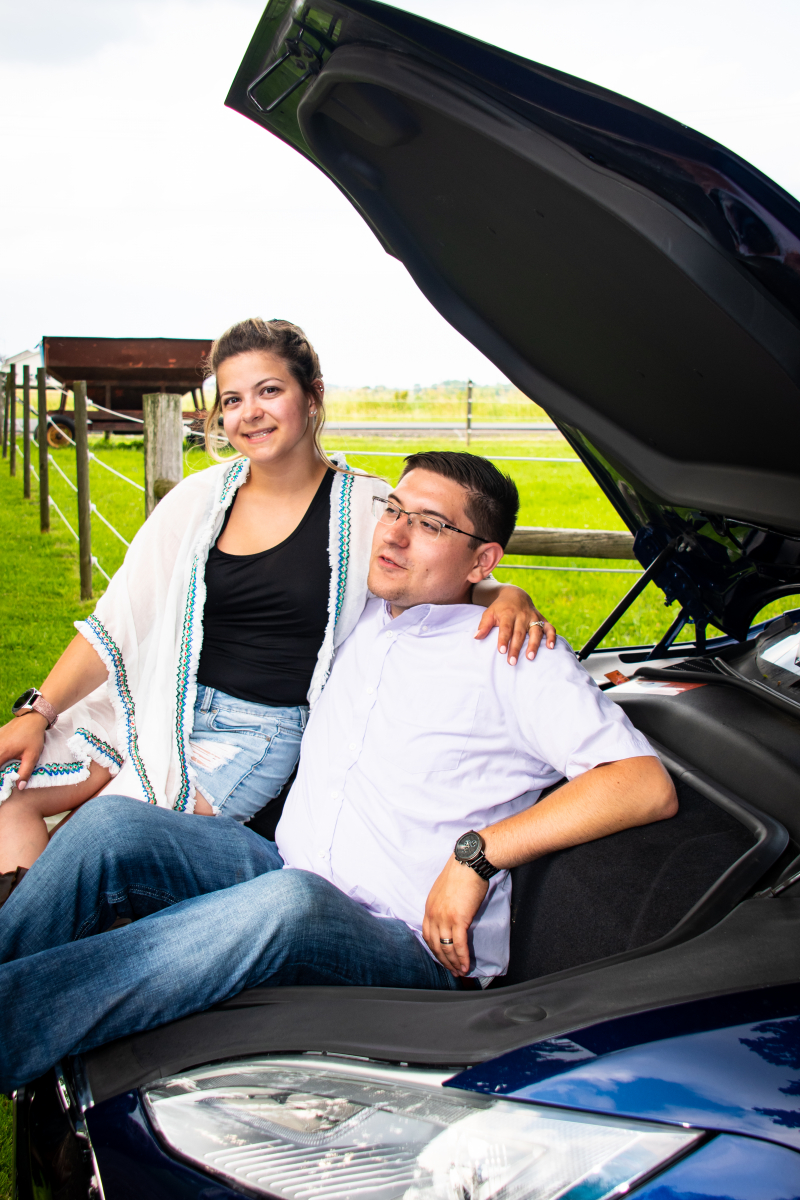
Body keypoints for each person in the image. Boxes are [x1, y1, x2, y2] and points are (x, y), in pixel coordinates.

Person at [0, 451, 676, 1090]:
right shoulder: (361, 612)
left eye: (430, 524)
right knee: (114, 826)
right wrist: (506, 588)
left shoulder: (516, 656)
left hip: (405, 943)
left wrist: (478, 855)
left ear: (482, 558)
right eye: (395, 510)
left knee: (291, 904)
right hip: (288, 869)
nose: (397, 534)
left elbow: (641, 783)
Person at [0, 319, 553, 894]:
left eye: (269, 390)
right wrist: (38, 713)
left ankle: (41, 942)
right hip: (154, 700)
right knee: (10, 794)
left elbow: (439, 570)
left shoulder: (365, 508)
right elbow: (118, 622)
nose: (250, 413)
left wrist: (505, 593)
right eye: (232, 399)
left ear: (312, 396)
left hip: (252, 734)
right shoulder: (198, 500)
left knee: (93, 842)